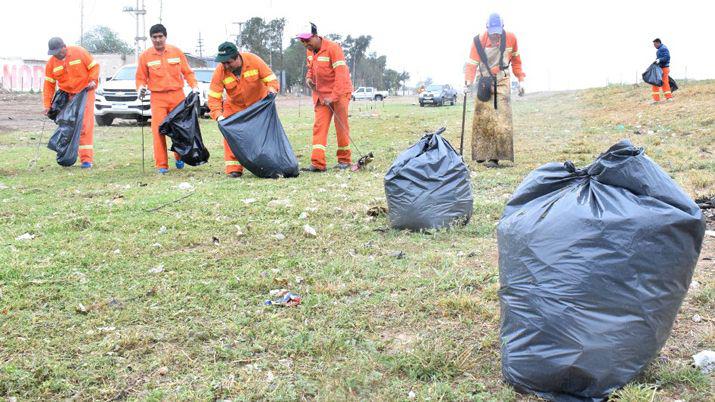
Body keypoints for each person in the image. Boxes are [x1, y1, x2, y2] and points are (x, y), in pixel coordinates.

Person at [208, 42, 280, 178]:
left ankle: (267, 162)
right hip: (234, 107)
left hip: (258, 106)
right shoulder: (220, 71)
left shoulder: (254, 61)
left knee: (261, 137)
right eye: (223, 63)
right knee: (229, 133)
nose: (226, 66)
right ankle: (233, 168)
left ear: (237, 57)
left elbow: (272, 81)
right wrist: (219, 116)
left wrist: (271, 92)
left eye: (228, 62)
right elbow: (214, 97)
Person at [135, 24, 199, 174]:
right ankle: (162, 165)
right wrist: (140, 89)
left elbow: (187, 72)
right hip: (158, 98)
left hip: (177, 96)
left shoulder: (176, 52)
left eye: (160, 37)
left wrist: (194, 86)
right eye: (154, 37)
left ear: (165, 36)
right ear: (151, 38)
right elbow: (140, 78)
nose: (158, 40)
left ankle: (179, 157)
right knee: (159, 131)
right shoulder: (145, 56)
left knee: (179, 129)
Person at [464, 13, 525, 168]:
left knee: (501, 119)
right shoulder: (478, 41)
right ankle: (481, 153)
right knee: (482, 117)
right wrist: (468, 83)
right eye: (492, 33)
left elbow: (516, 62)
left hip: (502, 81)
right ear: (487, 29)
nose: (495, 36)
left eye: (498, 33)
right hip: (484, 82)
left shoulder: (511, 38)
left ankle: (494, 157)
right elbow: (471, 65)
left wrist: (521, 80)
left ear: (502, 29)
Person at [297, 23, 354, 172]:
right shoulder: (310, 51)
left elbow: (341, 74)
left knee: (341, 126)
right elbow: (311, 69)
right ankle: (317, 163)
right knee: (319, 127)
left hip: (340, 93)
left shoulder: (333, 48)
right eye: (302, 41)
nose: (305, 44)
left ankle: (344, 160)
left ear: (316, 36)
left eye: (307, 40)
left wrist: (333, 96)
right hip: (321, 95)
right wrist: (308, 78)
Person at [43, 37, 99, 168]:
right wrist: (47, 105)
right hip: (67, 95)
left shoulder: (79, 52)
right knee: (66, 124)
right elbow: (48, 85)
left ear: (64, 46)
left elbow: (94, 67)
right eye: (53, 53)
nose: (56, 54)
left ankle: (86, 160)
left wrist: (92, 80)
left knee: (84, 125)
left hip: (85, 92)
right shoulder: (51, 63)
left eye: (58, 51)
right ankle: (66, 154)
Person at [651, 38, 672, 103]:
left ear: (658, 43)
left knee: (656, 83)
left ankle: (657, 100)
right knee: (664, 83)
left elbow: (667, 57)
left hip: (663, 68)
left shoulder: (663, 48)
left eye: (655, 44)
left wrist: (659, 60)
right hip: (662, 68)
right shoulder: (661, 49)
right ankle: (668, 98)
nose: (654, 46)